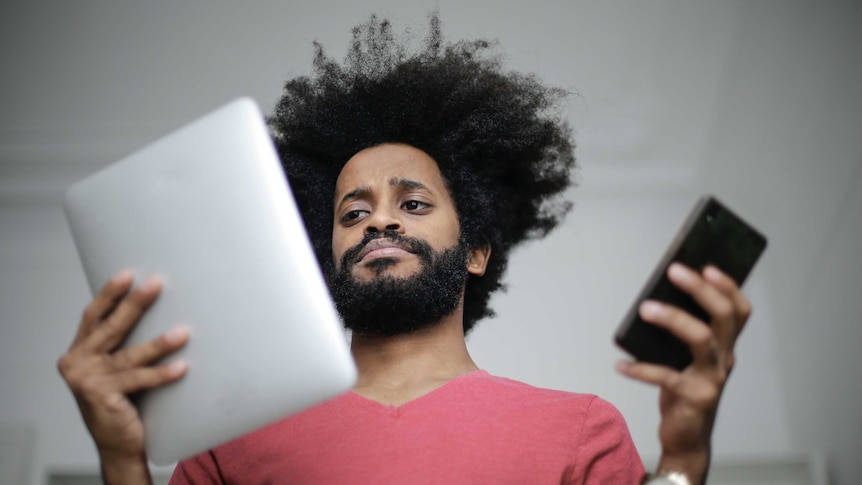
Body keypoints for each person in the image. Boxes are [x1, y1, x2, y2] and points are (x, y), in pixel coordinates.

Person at [57, 15, 750, 485]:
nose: (376, 223)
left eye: (412, 203)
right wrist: (121, 458)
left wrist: (684, 456)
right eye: (352, 212)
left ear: (475, 249)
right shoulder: (227, 442)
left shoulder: (583, 428)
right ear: (327, 252)